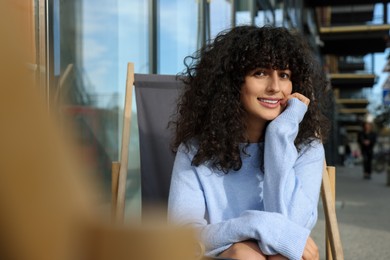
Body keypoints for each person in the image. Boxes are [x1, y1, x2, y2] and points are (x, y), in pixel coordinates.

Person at [168, 25, 330, 260]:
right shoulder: (195, 150)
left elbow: (293, 228)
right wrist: (257, 224)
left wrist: (279, 136)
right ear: (233, 83)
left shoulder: (307, 148)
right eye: (260, 73)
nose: (275, 87)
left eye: (284, 75)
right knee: (245, 255)